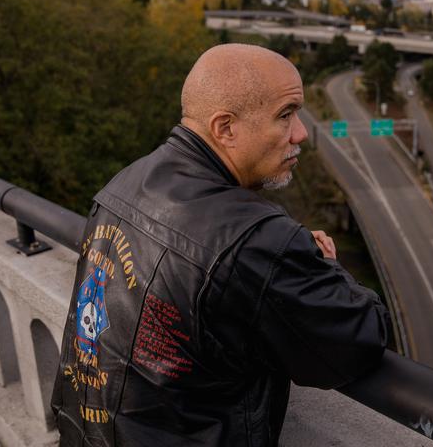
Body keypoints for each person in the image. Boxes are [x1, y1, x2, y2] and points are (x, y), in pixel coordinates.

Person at [52, 44, 390, 446]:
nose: (301, 133)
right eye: (286, 115)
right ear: (225, 128)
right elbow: (356, 339)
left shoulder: (123, 183)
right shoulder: (254, 238)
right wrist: (329, 267)